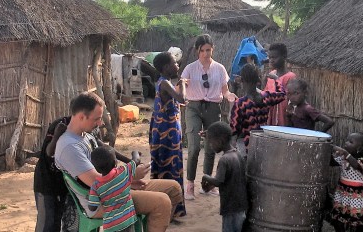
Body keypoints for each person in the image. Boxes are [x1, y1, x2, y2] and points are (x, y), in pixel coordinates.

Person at [55, 92, 184, 232]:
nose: (100, 123)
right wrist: (131, 175)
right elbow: (97, 182)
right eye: (97, 119)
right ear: (81, 117)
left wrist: (129, 181)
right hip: (104, 200)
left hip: (114, 188)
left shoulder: (84, 135)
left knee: (174, 188)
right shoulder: (70, 147)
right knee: (162, 202)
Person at [180, 34, 237, 199]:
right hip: (194, 108)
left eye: (209, 50)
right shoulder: (190, 68)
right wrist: (182, 90)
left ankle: (207, 185)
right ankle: (190, 185)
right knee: (194, 147)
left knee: (211, 147)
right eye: (203, 50)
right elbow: (183, 83)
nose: (206, 53)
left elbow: (225, 89)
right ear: (197, 50)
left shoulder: (219, 69)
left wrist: (229, 95)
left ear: (213, 49)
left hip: (213, 107)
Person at [149, 52, 187, 217]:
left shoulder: (162, 83)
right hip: (167, 136)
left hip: (165, 132)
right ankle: (168, 210)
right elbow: (181, 98)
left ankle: (166, 209)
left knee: (165, 167)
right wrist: (183, 84)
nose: (177, 66)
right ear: (165, 67)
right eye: (174, 63)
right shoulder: (164, 83)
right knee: (170, 169)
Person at [229, 63, 286, 157]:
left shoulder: (240, 103)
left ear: (242, 80)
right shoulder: (266, 97)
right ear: (257, 80)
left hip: (247, 145)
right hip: (263, 143)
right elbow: (282, 94)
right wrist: (276, 79)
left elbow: (234, 129)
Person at [201, 122, 248, 232]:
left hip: (230, 206)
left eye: (211, 143)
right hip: (241, 205)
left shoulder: (224, 159)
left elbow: (218, 181)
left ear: (220, 141)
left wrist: (206, 177)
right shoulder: (237, 154)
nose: (210, 146)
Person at [328, 132, 363, 232]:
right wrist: (328, 150)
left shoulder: (362, 161)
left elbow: (356, 166)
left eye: (350, 142)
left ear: (359, 149)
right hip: (342, 193)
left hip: (356, 196)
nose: (346, 143)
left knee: (357, 220)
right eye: (347, 140)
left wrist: (345, 153)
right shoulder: (342, 158)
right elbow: (331, 162)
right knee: (337, 218)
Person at [87, 145, 144, 231]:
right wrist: (135, 153)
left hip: (110, 226)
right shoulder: (124, 172)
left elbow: (92, 207)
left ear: (95, 168)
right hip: (127, 221)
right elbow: (136, 161)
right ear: (115, 162)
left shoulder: (96, 186)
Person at [33, 117, 70, 232]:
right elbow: (49, 152)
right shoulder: (60, 125)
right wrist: (57, 135)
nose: (98, 122)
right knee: (45, 225)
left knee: (55, 224)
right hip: (46, 184)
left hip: (62, 186)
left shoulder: (89, 130)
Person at [264, 43, 297, 126]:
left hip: (283, 117)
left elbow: (291, 99)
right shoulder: (271, 74)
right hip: (270, 116)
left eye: (274, 57)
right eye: (270, 57)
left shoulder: (291, 77)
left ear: (284, 57)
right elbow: (265, 95)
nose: (271, 60)